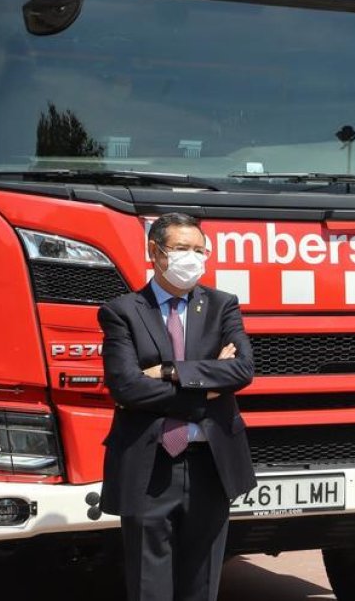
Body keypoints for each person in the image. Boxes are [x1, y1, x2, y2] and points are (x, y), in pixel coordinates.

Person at [99, 212, 256, 601]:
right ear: (156, 252)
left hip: (211, 464)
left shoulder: (222, 306)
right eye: (183, 249)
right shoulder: (123, 311)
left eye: (200, 250)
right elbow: (127, 387)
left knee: (202, 585)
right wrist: (206, 389)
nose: (193, 258)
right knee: (148, 586)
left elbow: (241, 369)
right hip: (148, 466)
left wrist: (169, 371)